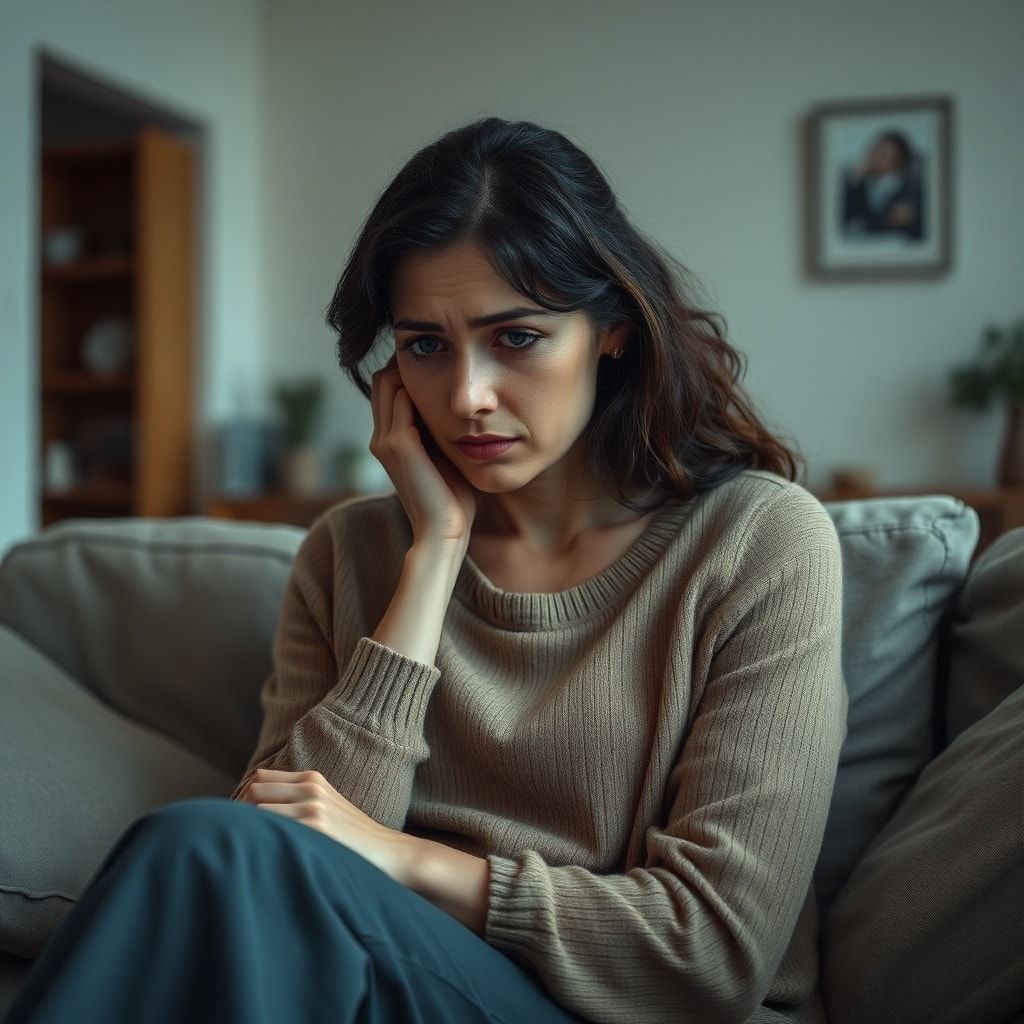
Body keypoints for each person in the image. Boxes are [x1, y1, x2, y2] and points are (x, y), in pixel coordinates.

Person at [7, 116, 848, 1023]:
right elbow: (294, 853)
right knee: (213, 853)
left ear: (611, 328)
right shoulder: (352, 552)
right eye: (425, 345)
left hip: (619, 1009)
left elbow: (711, 955)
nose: (466, 397)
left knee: (208, 850)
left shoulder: (759, 542)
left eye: (516, 338)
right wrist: (435, 549)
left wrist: (401, 857)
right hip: (388, 980)